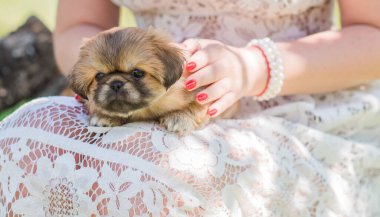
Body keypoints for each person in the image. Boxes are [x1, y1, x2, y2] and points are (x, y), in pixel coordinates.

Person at [0, 0, 380, 216]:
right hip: (144, 108)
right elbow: (79, 25)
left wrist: (255, 67)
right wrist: (98, 70)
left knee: (158, 173)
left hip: (298, 107)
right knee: (21, 140)